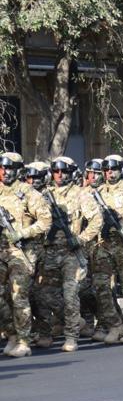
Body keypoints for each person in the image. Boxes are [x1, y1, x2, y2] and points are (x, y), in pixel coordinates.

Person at [35, 156, 102, 352]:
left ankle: (71, 336)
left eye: (64, 171)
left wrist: (80, 239)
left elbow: (97, 220)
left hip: (72, 253)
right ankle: (46, 333)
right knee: (44, 295)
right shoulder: (45, 195)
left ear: (71, 173)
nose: (59, 175)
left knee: (70, 296)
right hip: (50, 251)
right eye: (56, 171)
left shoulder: (81, 195)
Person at [0, 152, 52, 357]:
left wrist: (23, 233)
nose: (5, 172)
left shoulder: (29, 193)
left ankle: (23, 341)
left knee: (18, 296)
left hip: (22, 252)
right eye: (3, 168)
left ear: (18, 170)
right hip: (1, 249)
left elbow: (45, 221)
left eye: (10, 169)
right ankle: (11, 333)